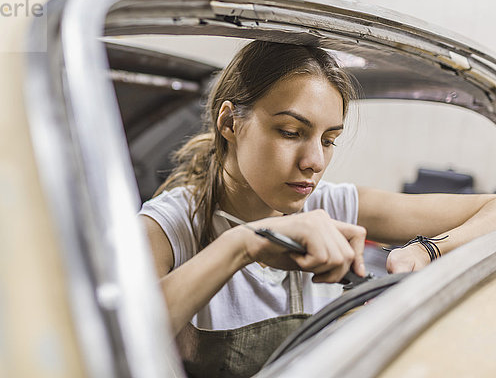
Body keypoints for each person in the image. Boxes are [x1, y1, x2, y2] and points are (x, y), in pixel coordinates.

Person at [138, 41, 496, 377]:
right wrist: (244, 245)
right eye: (291, 132)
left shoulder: (332, 204)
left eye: (329, 140)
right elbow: (122, 338)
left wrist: (428, 248)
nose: (314, 162)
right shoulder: (166, 228)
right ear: (230, 122)